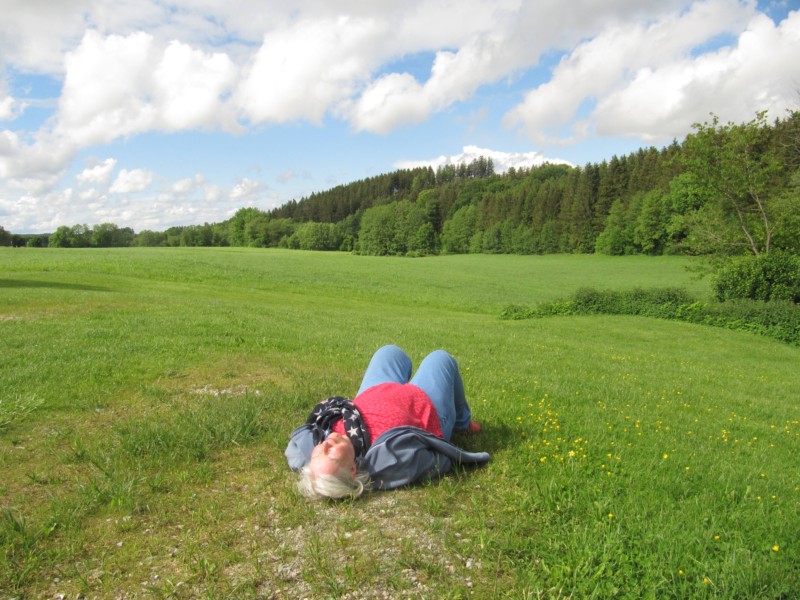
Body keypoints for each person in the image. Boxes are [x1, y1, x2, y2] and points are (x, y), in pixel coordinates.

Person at [285, 345, 489, 500]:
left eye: (319, 452)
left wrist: (317, 466)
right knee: (440, 359)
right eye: (331, 455)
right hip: (425, 407)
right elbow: (436, 462)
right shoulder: (386, 463)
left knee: (389, 352)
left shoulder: (315, 453)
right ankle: (462, 423)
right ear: (353, 471)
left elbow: (296, 450)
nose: (326, 444)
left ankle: (400, 372)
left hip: (374, 392)